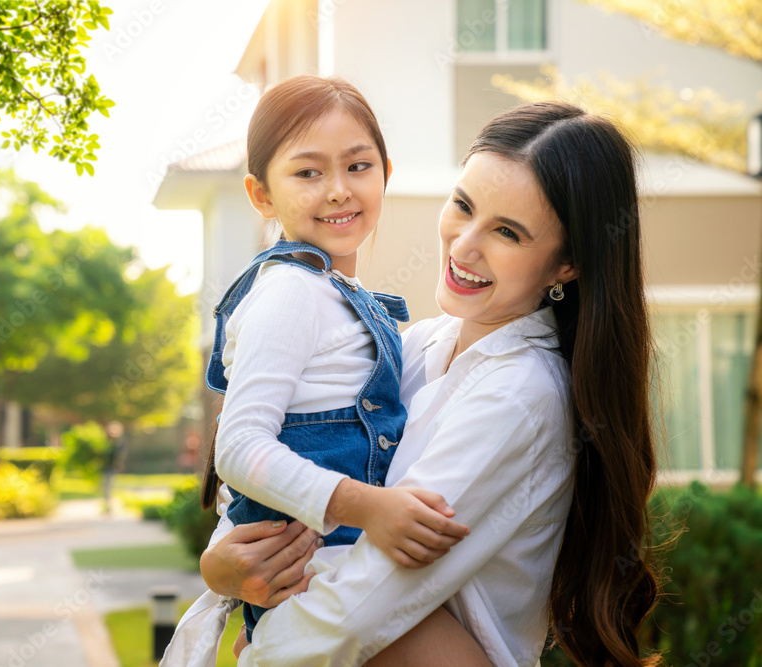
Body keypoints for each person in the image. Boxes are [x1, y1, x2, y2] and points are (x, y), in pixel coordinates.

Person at [200, 101, 661, 666]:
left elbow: (361, 606)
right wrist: (223, 567)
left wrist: (261, 648)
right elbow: (279, 457)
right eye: (463, 206)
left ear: (567, 263)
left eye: (508, 232)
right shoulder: (419, 347)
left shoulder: (519, 396)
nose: (464, 246)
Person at [161, 75, 485, 666]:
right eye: (308, 173)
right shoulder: (290, 293)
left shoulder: (339, 296)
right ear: (261, 195)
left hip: (337, 572)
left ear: (386, 172)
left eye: (358, 166)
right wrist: (371, 509)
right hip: (323, 570)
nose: (338, 190)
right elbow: (239, 449)